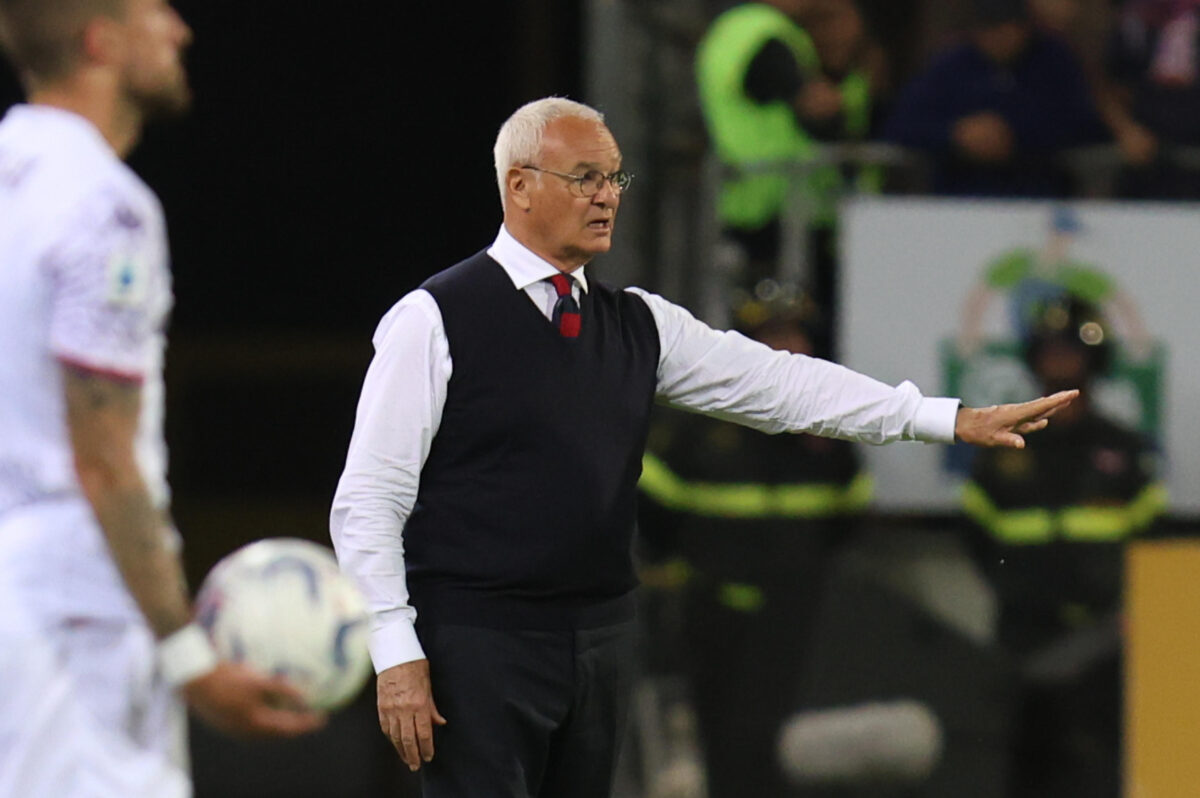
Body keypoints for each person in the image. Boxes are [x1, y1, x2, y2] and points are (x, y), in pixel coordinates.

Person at [329, 95, 1077, 798]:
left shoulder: (638, 323)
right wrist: (395, 648)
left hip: (598, 636)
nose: (608, 195)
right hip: (477, 637)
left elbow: (780, 384)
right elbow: (368, 499)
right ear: (519, 186)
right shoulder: (434, 318)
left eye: (614, 177)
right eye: (585, 178)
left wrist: (941, 418)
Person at [0, 1, 324, 795]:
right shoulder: (103, 208)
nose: (180, 30)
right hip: (73, 624)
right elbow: (105, 464)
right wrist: (191, 661)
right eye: (155, 11)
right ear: (100, 41)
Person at [637, 296, 871, 798]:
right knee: (723, 744)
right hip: (712, 617)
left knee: (789, 749)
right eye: (773, 335)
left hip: (799, 620)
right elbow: (653, 510)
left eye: (795, 334)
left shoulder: (829, 429)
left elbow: (849, 515)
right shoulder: (698, 420)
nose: (787, 348)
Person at [961, 298, 1166, 798]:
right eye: (1050, 350)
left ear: (1095, 361)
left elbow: (1150, 541)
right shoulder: (1003, 447)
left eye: (1071, 351)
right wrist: (1016, 590)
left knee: (1101, 764)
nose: (1060, 361)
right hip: (1023, 638)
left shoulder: (1124, 449)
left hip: (1106, 638)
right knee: (1020, 763)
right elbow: (976, 535)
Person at [694, 0, 883, 324]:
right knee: (780, 331)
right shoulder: (764, 30)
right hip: (772, 215)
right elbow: (815, 109)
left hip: (780, 211)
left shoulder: (745, 31)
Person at [883, 0, 1103, 196]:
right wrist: (955, 135)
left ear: (1025, 26)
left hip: (1038, 199)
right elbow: (901, 125)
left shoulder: (1055, 61)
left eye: (1007, 26)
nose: (999, 36)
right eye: (990, 27)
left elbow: (1085, 125)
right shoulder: (950, 65)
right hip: (959, 202)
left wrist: (1015, 136)